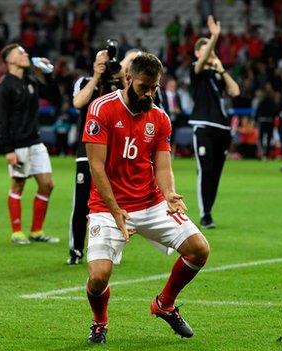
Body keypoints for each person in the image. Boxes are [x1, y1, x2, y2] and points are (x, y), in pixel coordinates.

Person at [83, 53, 210, 344]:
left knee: (199, 249)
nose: (149, 94)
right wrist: (115, 211)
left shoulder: (159, 117)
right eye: (143, 87)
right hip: (107, 205)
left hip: (150, 202)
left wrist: (169, 194)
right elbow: (96, 166)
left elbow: (162, 166)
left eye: (154, 87)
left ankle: (164, 304)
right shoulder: (101, 108)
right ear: (128, 79)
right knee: (99, 277)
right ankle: (100, 322)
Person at [67, 49, 141, 265]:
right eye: (102, 61)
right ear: (94, 63)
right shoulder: (84, 81)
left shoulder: (122, 85)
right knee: (81, 204)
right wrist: (97, 78)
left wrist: (119, 77)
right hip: (87, 152)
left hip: (116, 154)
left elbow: (135, 103)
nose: (107, 64)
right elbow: (78, 103)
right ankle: (76, 251)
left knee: (115, 204)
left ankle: (112, 250)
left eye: (109, 62)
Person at [0, 44, 61, 244]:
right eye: (21, 53)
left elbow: (55, 97)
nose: (26, 55)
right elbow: (1, 119)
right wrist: (8, 150)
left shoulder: (30, 79)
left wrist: (48, 74)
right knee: (18, 185)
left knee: (47, 185)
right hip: (18, 144)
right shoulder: (4, 86)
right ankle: (17, 232)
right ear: (10, 60)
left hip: (35, 141)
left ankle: (36, 231)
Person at [189, 15, 240, 229]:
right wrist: (214, 36)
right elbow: (201, 63)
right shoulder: (196, 70)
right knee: (206, 170)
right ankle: (205, 214)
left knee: (216, 174)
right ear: (198, 53)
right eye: (206, 49)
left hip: (222, 128)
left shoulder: (217, 74)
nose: (209, 53)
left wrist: (221, 70)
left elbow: (235, 91)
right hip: (203, 126)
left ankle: (209, 211)